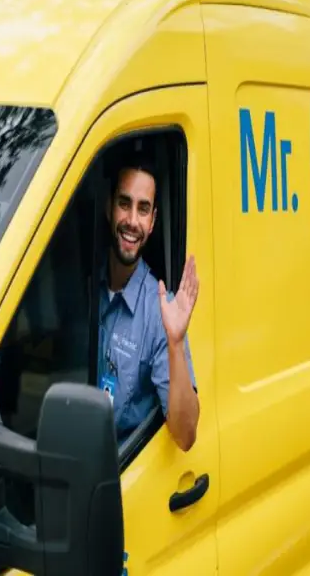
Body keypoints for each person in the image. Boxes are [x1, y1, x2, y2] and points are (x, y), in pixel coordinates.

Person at [98, 146, 199, 451]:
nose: (132, 220)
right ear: (108, 206)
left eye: (143, 209)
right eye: (124, 203)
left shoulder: (159, 310)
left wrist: (175, 342)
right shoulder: (84, 283)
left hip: (118, 481)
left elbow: (185, 435)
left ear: (153, 222)